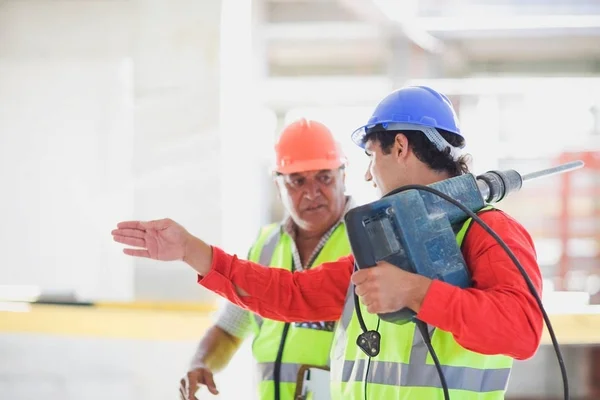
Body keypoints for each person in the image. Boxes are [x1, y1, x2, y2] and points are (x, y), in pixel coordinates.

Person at [112, 86, 544, 400]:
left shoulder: (489, 233)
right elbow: (296, 295)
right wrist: (192, 251)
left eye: (371, 157)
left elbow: (521, 331)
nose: (371, 175)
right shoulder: (387, 238)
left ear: (399, 147)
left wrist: (416, 291)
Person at [184, 118, 354, 399]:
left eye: (324, 177)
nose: (312, 192)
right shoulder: (266, 245)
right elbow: (231, 327)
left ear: (343, 176)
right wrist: (201, 363)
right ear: (279, 186)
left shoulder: (368, 241)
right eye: (297, 181)